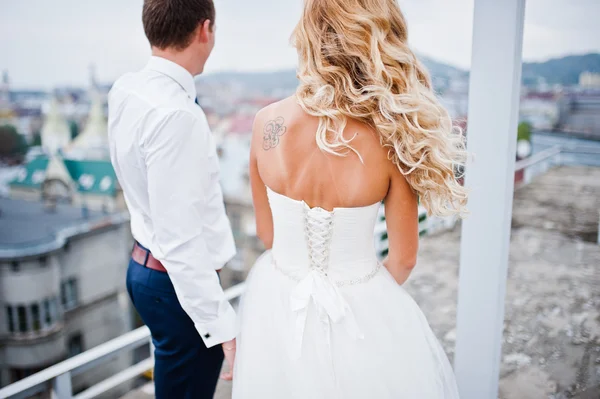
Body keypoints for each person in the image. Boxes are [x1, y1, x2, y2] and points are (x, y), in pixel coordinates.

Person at [232, 0, 468, 397]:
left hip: (277, 298)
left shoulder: (265, 123)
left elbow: (267, 234)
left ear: (308, 36)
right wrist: (365, 302)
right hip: (362, 304)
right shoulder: (392, 137)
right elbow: (404, 258)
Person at [107, 0, 237, 397]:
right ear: (204, 30)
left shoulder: (127, 88)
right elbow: (180, 238)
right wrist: (220, 324)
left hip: (145, 265)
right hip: (174, 283)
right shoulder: (177, 115)